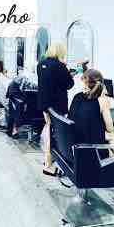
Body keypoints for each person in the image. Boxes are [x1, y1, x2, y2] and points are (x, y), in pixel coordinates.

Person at [37, 43, 74, 177]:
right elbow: (69, 84)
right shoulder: (59, 66)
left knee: (48, 127)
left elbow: (49, 81)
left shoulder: (41, 64)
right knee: (52, 131)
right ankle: (48, 165)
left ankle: (47, 159)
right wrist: (68, 72)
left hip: (44, 103)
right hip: (56, 104)